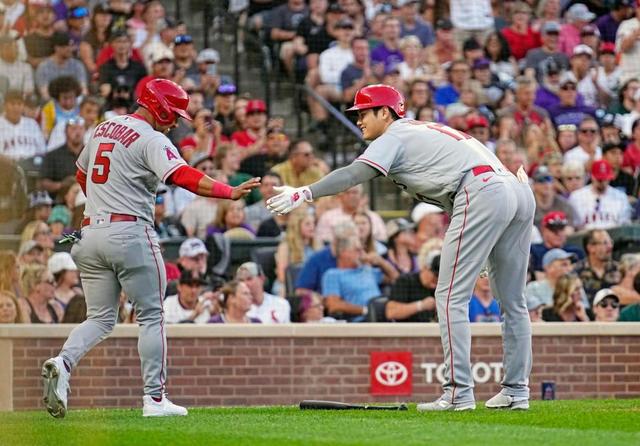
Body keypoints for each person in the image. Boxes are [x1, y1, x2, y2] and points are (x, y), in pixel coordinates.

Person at [267, 84, 536, 411]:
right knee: (513, 301)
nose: (360, 120)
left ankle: (457, 394)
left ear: (386, 112)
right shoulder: (421, 132)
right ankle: (516, 392)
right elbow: (453, 183)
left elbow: (355, 173)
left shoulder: (393, 136)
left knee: (449, 295)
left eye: (365, 112)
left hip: (482, 191)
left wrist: (304, 192)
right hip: (515, 190)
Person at [41, 79, 260, 419]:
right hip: (129, 231)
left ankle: (63, 362)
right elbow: (184, 175)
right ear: (157, 106)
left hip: (88, 234)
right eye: (172, 113)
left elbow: (82, 175)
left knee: (99, 318)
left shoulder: (103, 127)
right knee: (152, 315)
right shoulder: (151, 137)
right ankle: (154, 399)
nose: (175, 121)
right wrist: (228, 192)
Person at [568, 159, 632, 229]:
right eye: (599, 179)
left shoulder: (621, 197)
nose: (602, 182)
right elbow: (572, 226)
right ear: (592, 176)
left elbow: (624, 225)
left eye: (604, 178)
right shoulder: (577, 197)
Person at [386, 245, 439, 322]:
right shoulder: (405, 281)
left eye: (440, 277)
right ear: (425, 268)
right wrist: (420, 305)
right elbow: (390, 312)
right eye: (435, 275)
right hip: (407, 331)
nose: (437, 279)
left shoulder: (441, 287)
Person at [574, 229, 622, 304]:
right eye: (605, 243)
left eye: (611, 242)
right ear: (591, 248)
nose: (610, 247)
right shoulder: (576, 271)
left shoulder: (620, 269)